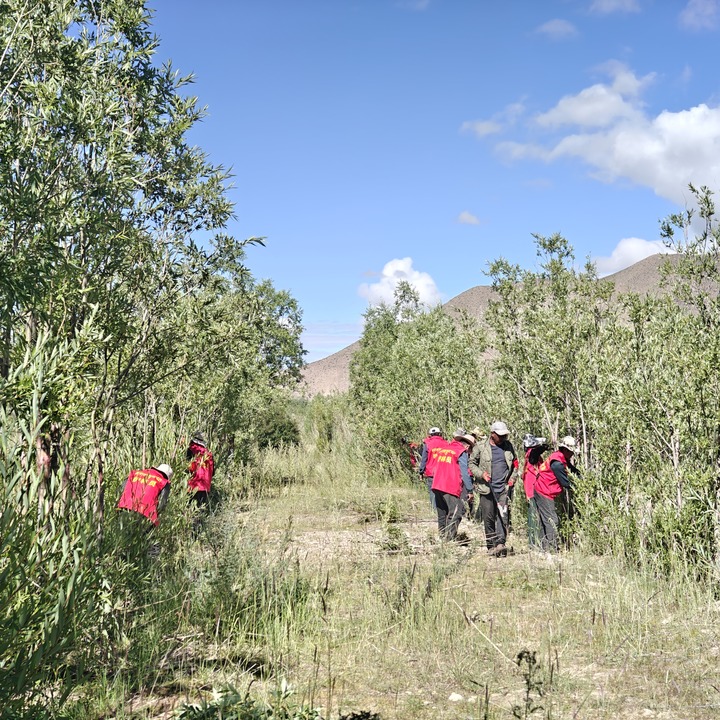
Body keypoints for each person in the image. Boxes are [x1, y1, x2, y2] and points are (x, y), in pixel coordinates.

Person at [469, 420, 518, 557]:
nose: (503, 438)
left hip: (503, 488)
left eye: (504, 435)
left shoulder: (508, 446)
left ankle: (501, 543)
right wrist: (481, 474)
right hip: (486, 488)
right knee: (489, 517)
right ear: (492, 434)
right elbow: (471, 464)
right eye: (500, 436)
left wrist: (513, 478)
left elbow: (515, 464)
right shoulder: (480, 447)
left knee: (503, 515)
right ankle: (491, 546)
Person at [533, 436, 578, 552]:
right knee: (551, 520)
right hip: (544, 491)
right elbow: (565, 483)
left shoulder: (560, 457)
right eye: (571, 452)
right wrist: (579, 487)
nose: (572, 454)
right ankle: (552, 549)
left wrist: (581, 476)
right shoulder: (557, 464)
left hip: (542, 488)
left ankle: (544, 548)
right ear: (565, 450)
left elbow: (572, 469)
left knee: (545, 519)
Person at [430, 429, 475, 541]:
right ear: (467, 447)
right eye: (471, 450)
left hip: (436, 485)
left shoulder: (444, 449)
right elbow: (464, 472)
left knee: (442, 513)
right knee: (456, 513)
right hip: (450, 486)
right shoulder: (461, 451)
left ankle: (442, 536)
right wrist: (470, 490)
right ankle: (449, 539)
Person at [117, 463, 173, 527]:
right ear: (167, 477)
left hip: (124, 506)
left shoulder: (136, 473)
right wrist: (156, 520)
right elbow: (162, 504)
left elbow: (121, 489)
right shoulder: (164, 482)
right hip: (144, 512)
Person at [521, 434, 548, 550]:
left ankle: (536, 543)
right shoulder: (531, 454)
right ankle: (534, 544)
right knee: (535, 519)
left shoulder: (530, 455)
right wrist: (544, 447)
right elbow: (535, 453)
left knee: (535, 518)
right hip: (533, 491)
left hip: (532, 491)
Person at [418, 427, 445, 510]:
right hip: (443, 472)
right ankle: (443, 509)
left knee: (432, 491)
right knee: (442, 490)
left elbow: (424, 459)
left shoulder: (428, 444)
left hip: (431, 472)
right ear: (439, 434)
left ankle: (434, 509)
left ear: (430, 435)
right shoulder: (446, 443)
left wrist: (421, 471)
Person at [187, 431, 214, 510]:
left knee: (189, 510)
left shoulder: (190, 450)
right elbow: (213, 472)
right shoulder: (209, 454)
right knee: (200, 510)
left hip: (192, 485)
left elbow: (186, 467)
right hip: (205, 486)